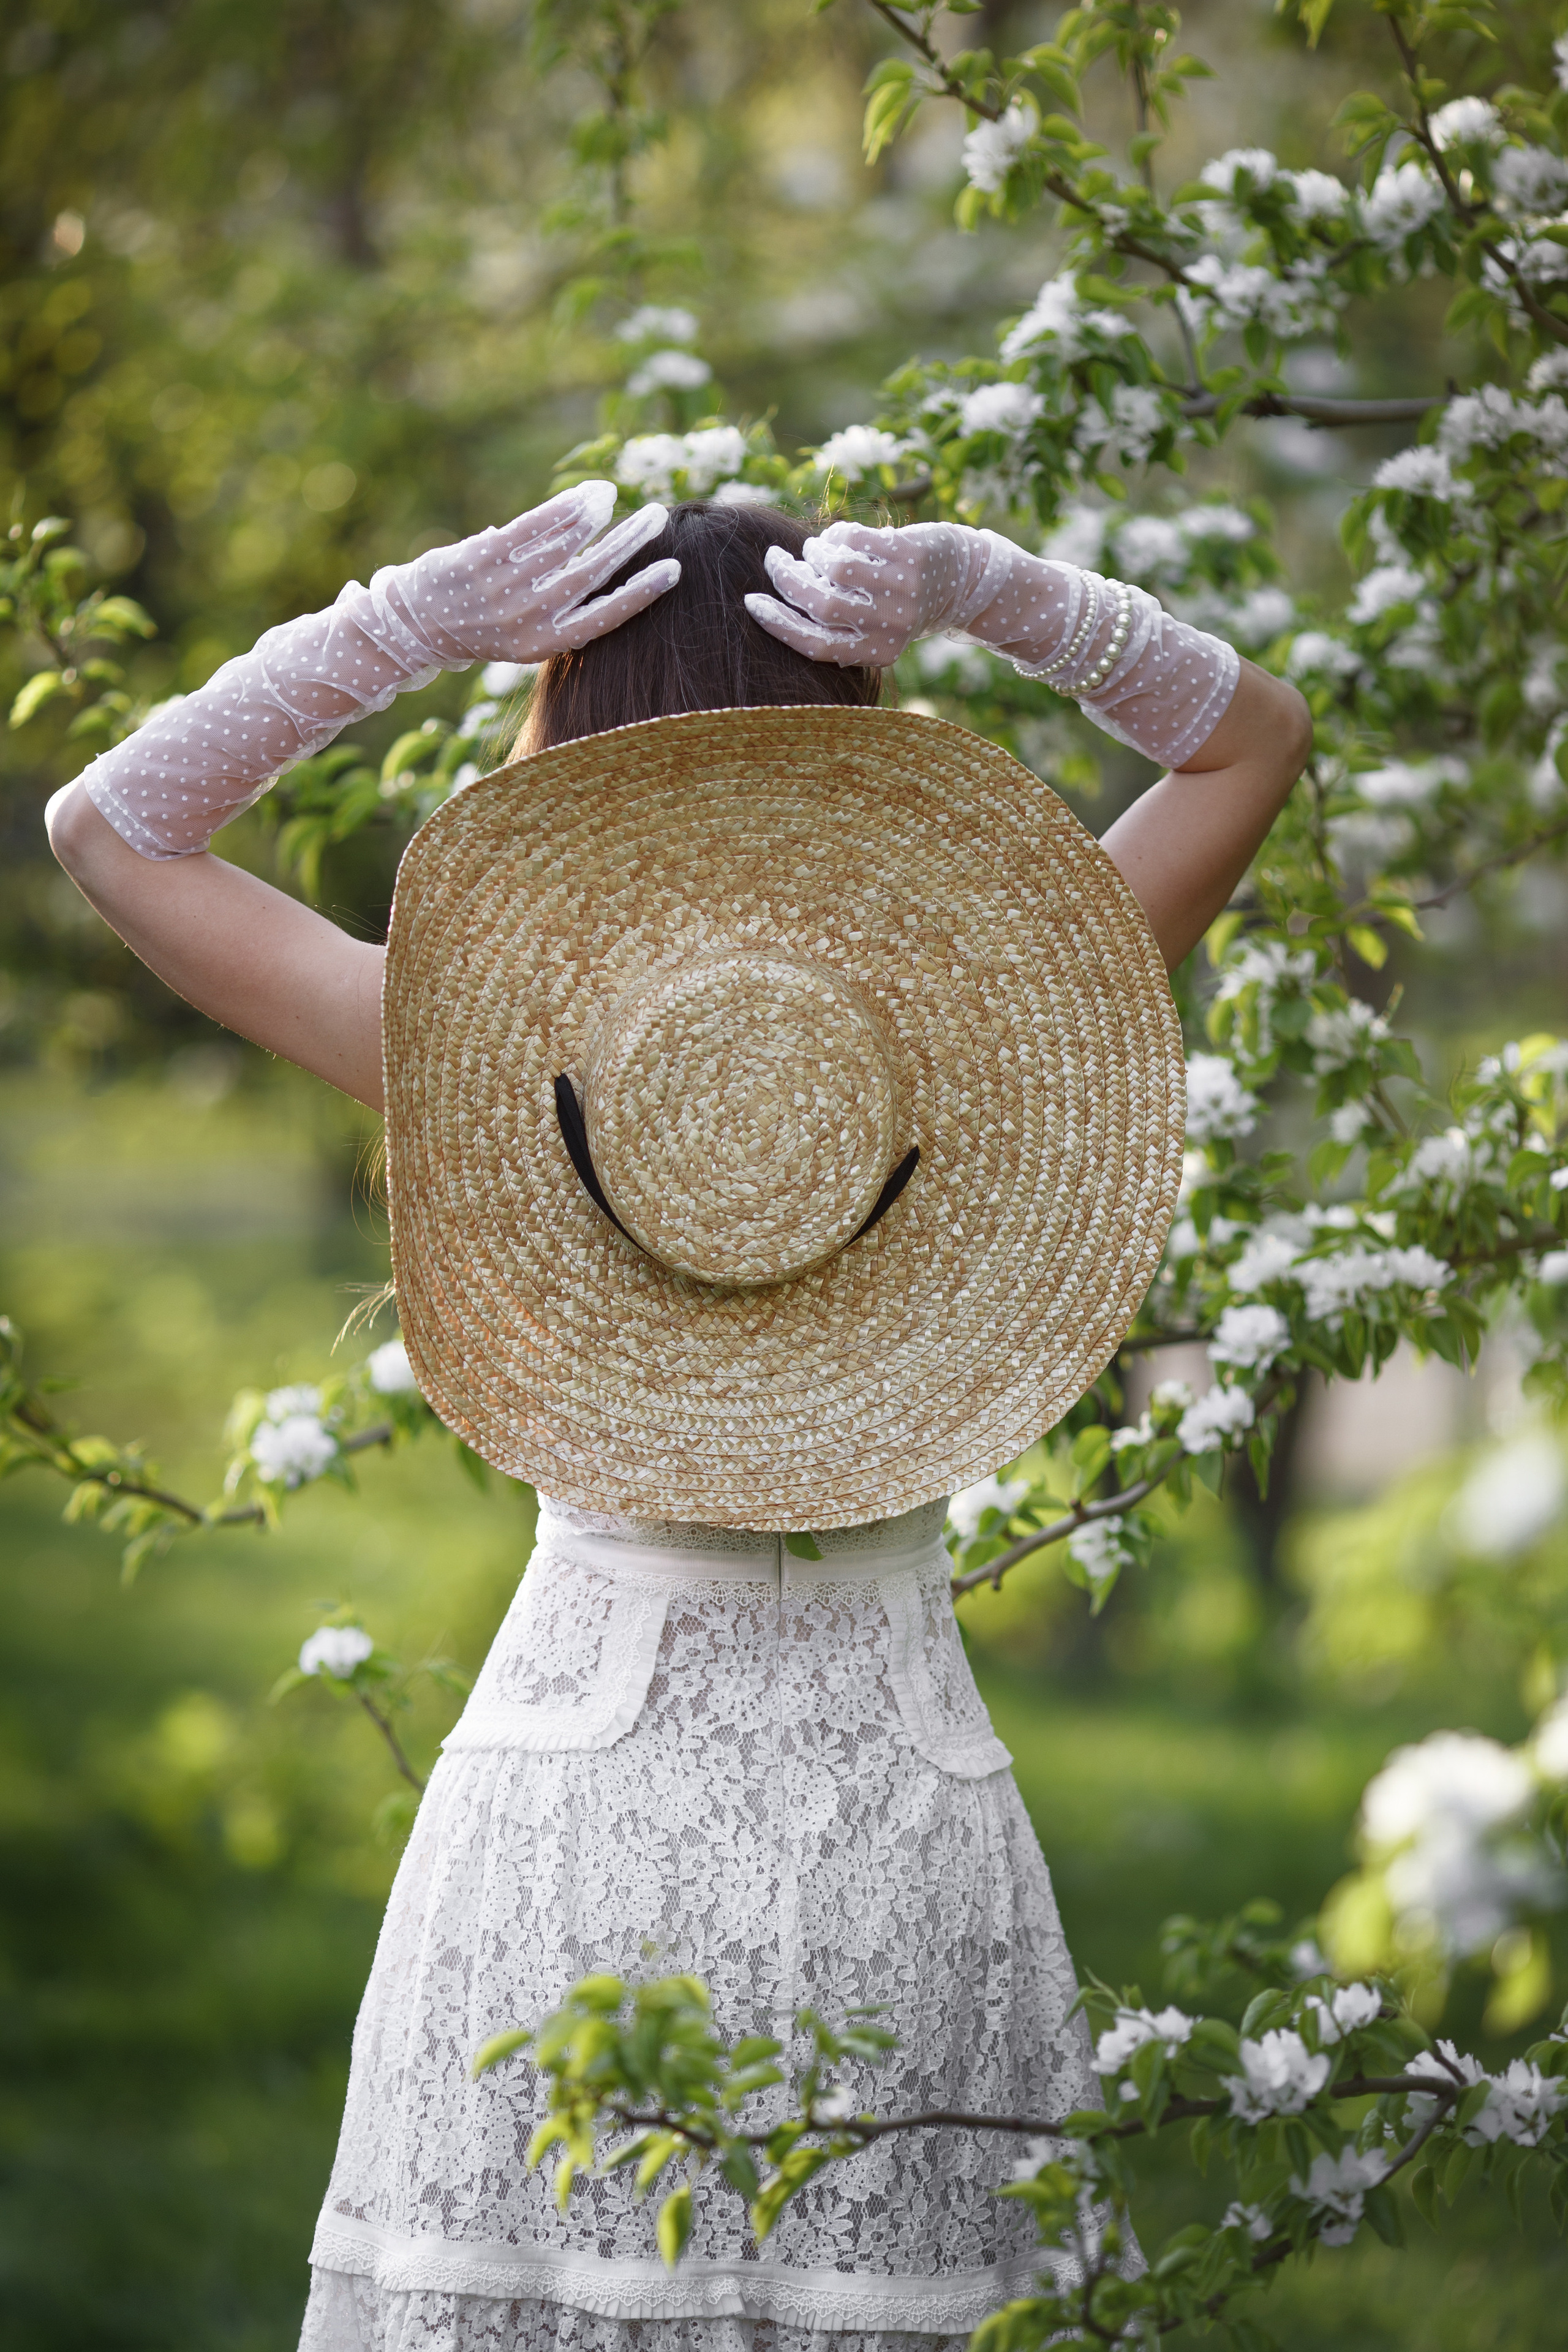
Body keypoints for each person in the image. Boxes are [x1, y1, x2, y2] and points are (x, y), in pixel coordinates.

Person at [47, 486, 1311, 2352]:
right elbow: (1253, 736)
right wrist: (984, 588)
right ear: (848, 734)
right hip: (899, 1835)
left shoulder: (477, 1051)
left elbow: (108, 827)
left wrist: (407, 621)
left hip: (565, 1831)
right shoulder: (989, 1039)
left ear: (575, 743)